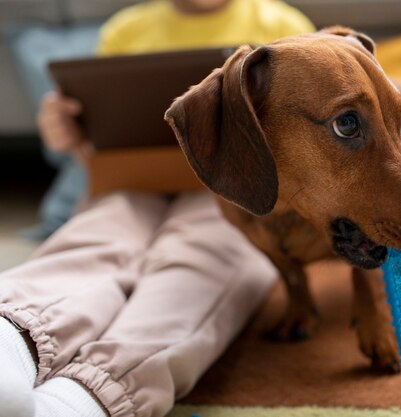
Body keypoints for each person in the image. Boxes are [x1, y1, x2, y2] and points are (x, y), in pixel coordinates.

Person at [0, 1, 315, 416]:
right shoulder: (127, 29)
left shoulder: (281, 25)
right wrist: (64, 130)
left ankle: (82, 398)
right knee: (94, 240)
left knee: (205, 258)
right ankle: (12, 336)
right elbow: (90, 132)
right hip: (129, 182)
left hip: (230, 192)